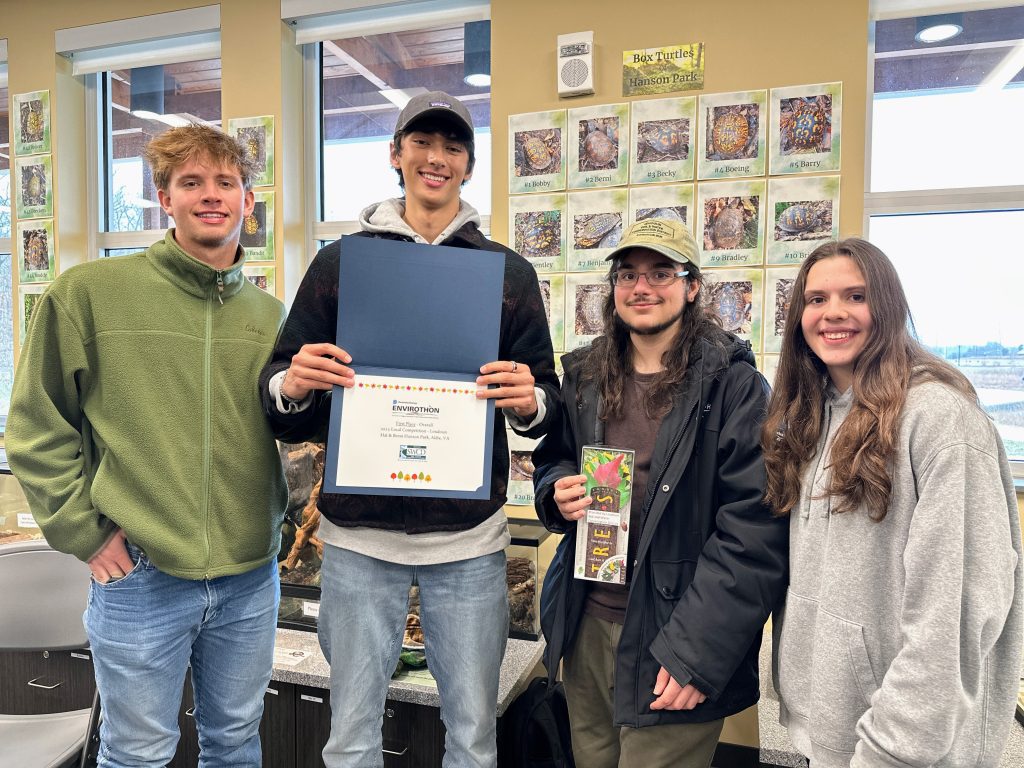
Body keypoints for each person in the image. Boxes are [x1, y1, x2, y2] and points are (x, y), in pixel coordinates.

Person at [258, 91, 558, 767]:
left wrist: (529, 399)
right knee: (352, 734)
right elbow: (281, 391)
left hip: (468, 546)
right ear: (396, 155)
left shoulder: (507, 274)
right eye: (422, 142)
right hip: (359, 541)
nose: (437, 158)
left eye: (453, 147)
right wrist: (296, 381)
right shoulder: (343, 264)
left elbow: (549, 398)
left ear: (468, 166)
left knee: (474, 736)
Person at [5, 124, 288, 768]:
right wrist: (84, 531)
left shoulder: (271, 320)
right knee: (137, 754)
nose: (210, 196)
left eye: (226, 183)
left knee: (237, 745)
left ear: (249, 201)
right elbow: (34, 425)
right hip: (141, 575)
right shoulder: (90, 295)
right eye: (191, 183)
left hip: (249, 578)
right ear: (164, 198)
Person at [533, 218, 789, 768]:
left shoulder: (734, 388)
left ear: (692, 286)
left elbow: (756, 532)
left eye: (660, 273)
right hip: (586, 625)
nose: (641, 287)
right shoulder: (585, 376)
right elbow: (552, 460)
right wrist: (556, 492)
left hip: (675, 637)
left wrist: (697, 656)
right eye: (628, 274)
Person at [762, 238, 1023, 767]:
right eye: (816, 300)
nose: (833, 312)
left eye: (855, 296)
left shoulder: (941, 421)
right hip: (831, 730)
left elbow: (952, 618)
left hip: (905, 750)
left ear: (887, 306)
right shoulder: (811, 418)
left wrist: (893, 749)